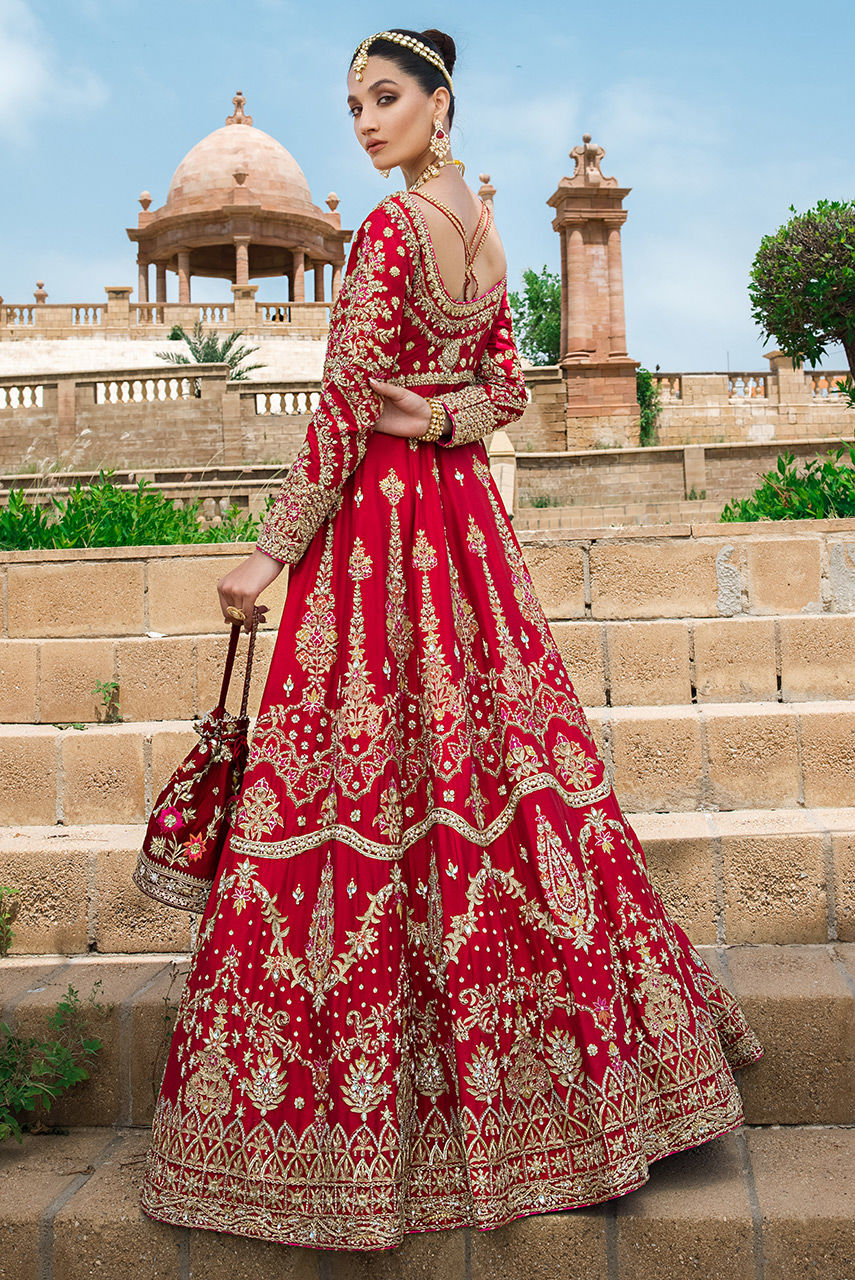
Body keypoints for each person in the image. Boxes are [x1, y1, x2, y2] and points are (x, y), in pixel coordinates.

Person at [137, 27, 763, 1252]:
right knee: (498, 778)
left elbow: (336, 416)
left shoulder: (383, 234)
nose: (365, 121)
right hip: (466, 531)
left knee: (366, 789)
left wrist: (269, 549)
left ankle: (346, 1140)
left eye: (385, 99)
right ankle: (583, 1093)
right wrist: (444, 420)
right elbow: (507, 394)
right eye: (355, 103)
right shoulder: (479, 229)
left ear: (440, 101)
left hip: (376, 535)